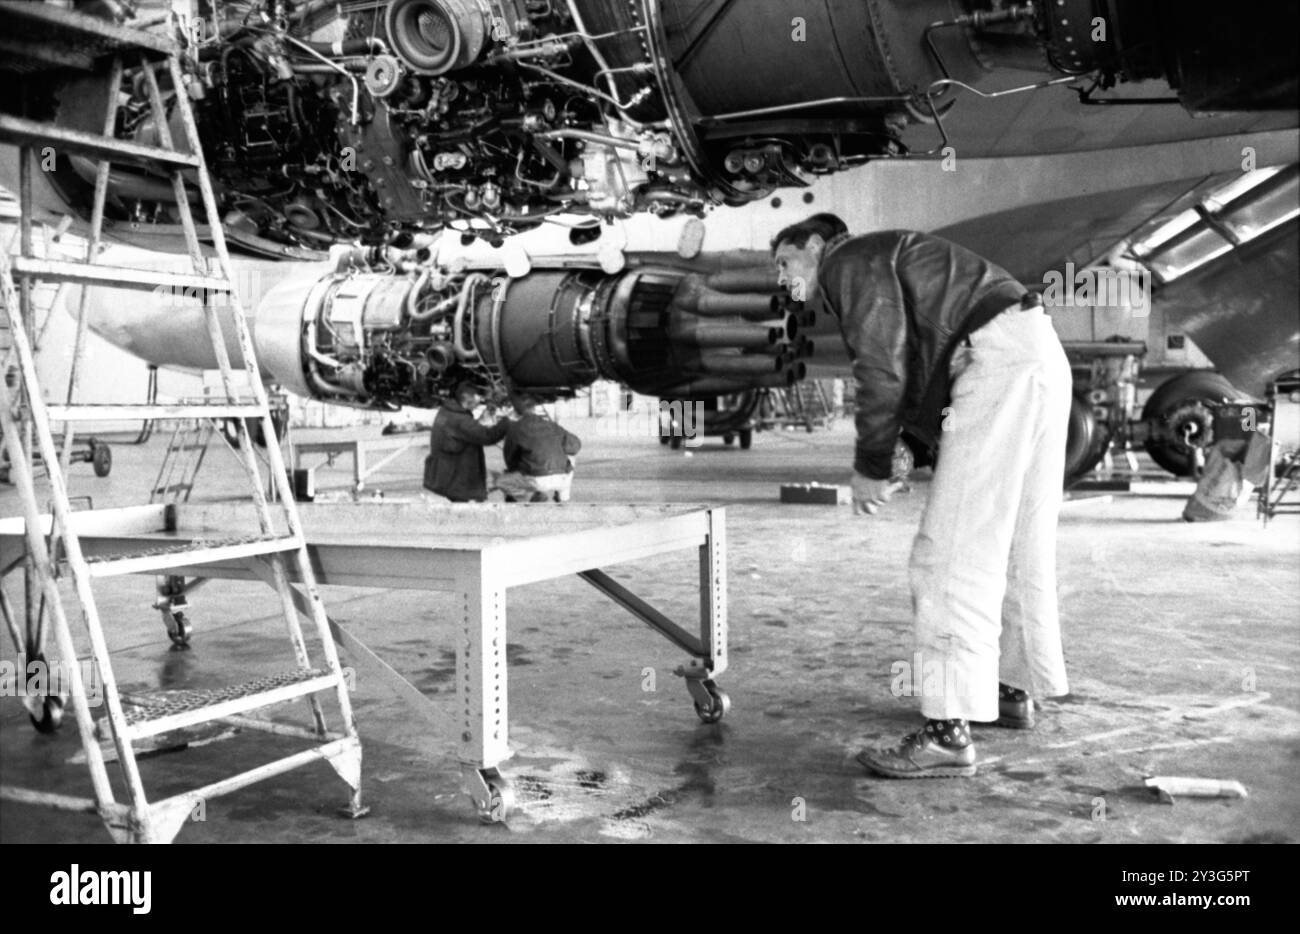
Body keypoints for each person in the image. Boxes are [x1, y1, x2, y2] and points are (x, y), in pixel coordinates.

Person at [772, 212, 1072, 779]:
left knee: (948, 553)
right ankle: (1009, 690)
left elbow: (881, 368)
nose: (783, 279)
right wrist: (910, 443)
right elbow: (923, 357)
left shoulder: (848, 262)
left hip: (998, 366)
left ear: (815, 244)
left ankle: (946, 734)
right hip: (1037, 356)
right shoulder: (890, 256)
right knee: (1016, 540)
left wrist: (871, 463)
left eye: (785, 263)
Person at [424, 380, 507, 502]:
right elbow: (488, 436)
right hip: (457, 477)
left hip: (446, 472)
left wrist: (481, 420)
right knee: (465, 509)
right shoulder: (460, 420)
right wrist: (508, 421)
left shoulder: (446, 411)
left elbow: (463, 434)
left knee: (460, 507)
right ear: (467, 402)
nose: (478, 405)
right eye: (476, 403)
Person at [493, 391, 582, 502]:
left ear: (516, 410)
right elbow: (575, 446)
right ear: (534, 408)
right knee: (571, 457)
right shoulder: (552, 426)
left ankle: (529, 496)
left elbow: (510, 459)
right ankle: (563, 496)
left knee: (500, 481)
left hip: (535, 480)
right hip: (562, 479)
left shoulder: (515, 428)